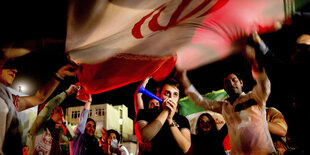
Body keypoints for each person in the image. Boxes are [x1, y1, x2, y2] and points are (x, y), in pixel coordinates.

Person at [177, 33, 275, 154]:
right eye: (227, 82)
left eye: (234, 80)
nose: (231, 83)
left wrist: (254, 62)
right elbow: (200, 101)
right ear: (224, 87)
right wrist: (184, 79)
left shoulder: (255, 97)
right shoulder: (224, 107)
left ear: (241, 83)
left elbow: (264, 84)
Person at [0, 46, 77, 155]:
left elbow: (39, 97)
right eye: (8, 64)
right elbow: (47, 104)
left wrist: (60, 74)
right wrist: (66, 92)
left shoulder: (9, 99)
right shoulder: (40, 128)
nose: (15, 70)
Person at [135, 78, 191, 155]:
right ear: (158, 95)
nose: (171, 98)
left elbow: (186, 147)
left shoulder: (182, 119)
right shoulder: (145, 113)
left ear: (178, 98)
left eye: (175, 94)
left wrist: (170, 120)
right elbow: (143, 138)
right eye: (167, 93)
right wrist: (166, 111)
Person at [27, 84, 78, 155]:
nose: (61, 114)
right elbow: (49, 107)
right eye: (58, 111)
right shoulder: (38, 128)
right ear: (50, 114)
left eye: (62, 111)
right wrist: (66, 93)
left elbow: (72, 138)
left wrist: (65, 123)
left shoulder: (55, 133)